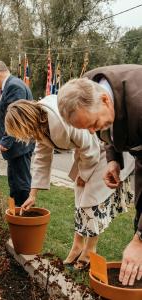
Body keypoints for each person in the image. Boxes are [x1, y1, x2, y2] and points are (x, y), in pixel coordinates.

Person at [5, 97, 133, 269]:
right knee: (79, 200)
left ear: (26, 121)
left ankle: (90, 251)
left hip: (105, 151)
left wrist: (84, 174)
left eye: (20, 131)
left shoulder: (60, 120)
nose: (23, 136)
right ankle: (77, 247)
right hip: (86, 155)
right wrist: (33, 194)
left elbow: (90, 147)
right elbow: (42, 158)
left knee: (90, 201)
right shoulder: (40, 124)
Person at [57, 64, 142, 285]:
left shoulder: (140, 107)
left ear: (105, 100)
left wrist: (140, 239)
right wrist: (113, 160)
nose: (94, 132)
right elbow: (108, 130)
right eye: (88, 128)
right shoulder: (88, 86)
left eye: (94, 124)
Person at [0, 61, 35, 206]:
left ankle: (24, 214)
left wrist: (6, 140)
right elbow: (8, 113)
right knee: (15, 181)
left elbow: (17, 117)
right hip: (18, 144)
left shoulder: (14, 86)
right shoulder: (13, 84)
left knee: (21, 183)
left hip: (19, 144)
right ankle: (18, 211)